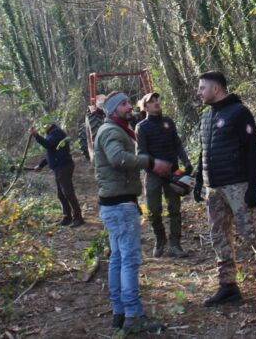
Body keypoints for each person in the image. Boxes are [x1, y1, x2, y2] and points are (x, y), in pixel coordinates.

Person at [193, 71, 256, 305]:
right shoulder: (205, 117)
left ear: (216, 88)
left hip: (238, 185)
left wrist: (254, 187)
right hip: (214, 188)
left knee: (252, 231)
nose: (198, 92)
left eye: (202, 88)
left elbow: (253, 151)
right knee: (218, 235)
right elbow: (205, 150)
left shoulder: (239, 113)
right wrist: (199, 180)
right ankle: (228, 286)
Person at [93, 91, 171, 334]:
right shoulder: (111, 131)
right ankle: (133, 316)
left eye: (129, 102)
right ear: (114, 109)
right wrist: (149, 162)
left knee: (118, 259)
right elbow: (118, 159)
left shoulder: (114, 129)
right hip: (120, 206)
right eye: (124, 104)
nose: (130, 107)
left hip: (117, 203)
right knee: (129, 260)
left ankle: (120, 312)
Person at [135, 92, 192, 258]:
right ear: (145, 108)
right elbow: (141, 153)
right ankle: (160, 240)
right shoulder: (142, 127)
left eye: (156, 100)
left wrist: (186, 162)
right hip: (153, 174)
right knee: (153, 210)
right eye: (151, 102)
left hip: (174, 171)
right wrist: (154, 166)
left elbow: (177, 144)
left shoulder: (168, 122)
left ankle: (176, 244)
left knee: (175, 209)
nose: (155, 103)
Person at [30, 122, 84, 227]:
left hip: (64, 166)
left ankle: (78, 217)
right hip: (58, 167)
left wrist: (36, 136)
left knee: (68, 193)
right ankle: (67, 217)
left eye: (44, 125)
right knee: (61, 194)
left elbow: (48, 145)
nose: (42, 128)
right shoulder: (50, 134)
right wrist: (41, 165)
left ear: (49, 125)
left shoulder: (56, 133)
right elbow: (50, 153)